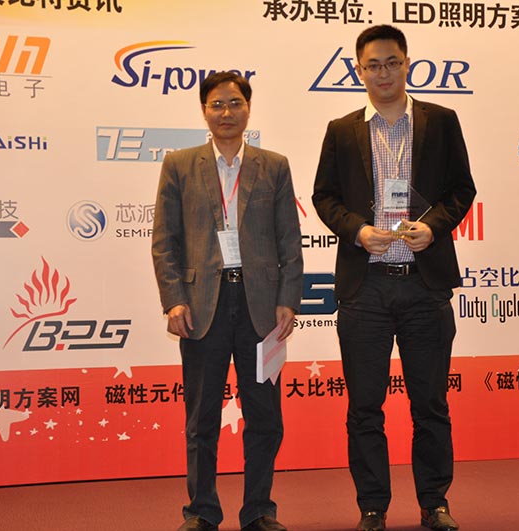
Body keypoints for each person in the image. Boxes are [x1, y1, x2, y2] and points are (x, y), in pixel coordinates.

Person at [312, 25, 476, 531]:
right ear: (359, 71)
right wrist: (358, 231)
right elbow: (324, 197)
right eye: (372, 65)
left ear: (407, 64)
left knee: (430, 404)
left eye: (391, 62)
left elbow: (461, 190)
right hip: (366, 288)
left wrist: (434, 227)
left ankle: (434, 504)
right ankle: (372, 507)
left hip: (425, 286)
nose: (383, 73)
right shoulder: (341, 130)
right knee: (365, 407)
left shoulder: (441, 121)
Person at [152, 71, 303, 531]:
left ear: (248, 108)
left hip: (260, 308)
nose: (226, 112)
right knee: (201, 418)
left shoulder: (274, 166)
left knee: (265, 417)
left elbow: (289, 239)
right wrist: (174, 300)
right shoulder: (179, 164)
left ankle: (259, 510)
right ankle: (202, 511)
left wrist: (288, 299)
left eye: (235, 103)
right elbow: (164, 240)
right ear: (204, 110)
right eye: (217, 104)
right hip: (203, 306)